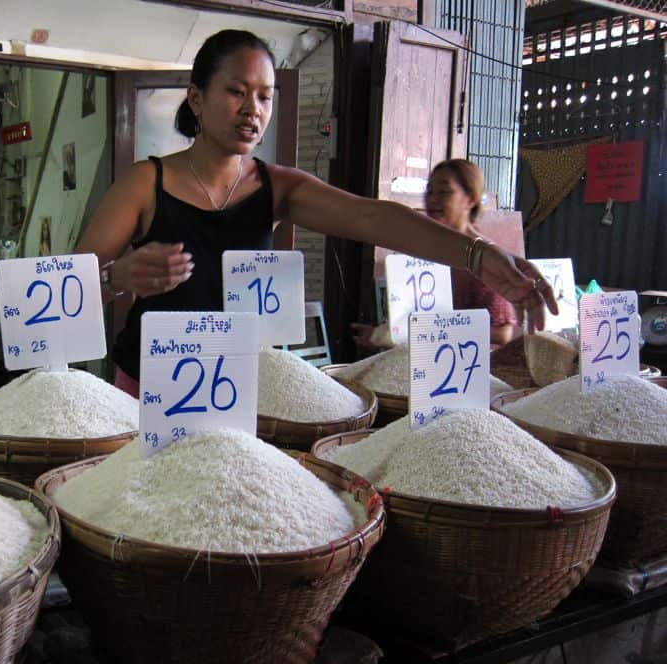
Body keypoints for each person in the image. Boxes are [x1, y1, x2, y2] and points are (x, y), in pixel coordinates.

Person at [75, 30, 556, 396]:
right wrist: (119, 275)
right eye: (236, 92)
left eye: (264, 96)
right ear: (197, 98)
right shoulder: (145, 183)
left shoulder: (277, 187)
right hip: (145, 386)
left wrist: (477, 253)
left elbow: (374, 218)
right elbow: (70, 286)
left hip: (237, 390)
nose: (253, 110)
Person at [353, 158, 518, 351]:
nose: (432, 199)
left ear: (471, 199)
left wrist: (440, 330)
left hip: (466, 368)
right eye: (429, 191)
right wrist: (382, 334)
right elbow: (410, 319)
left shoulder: (483, 257)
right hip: (421, 363)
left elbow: (503, 333)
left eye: (444, 192)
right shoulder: (420, 252)